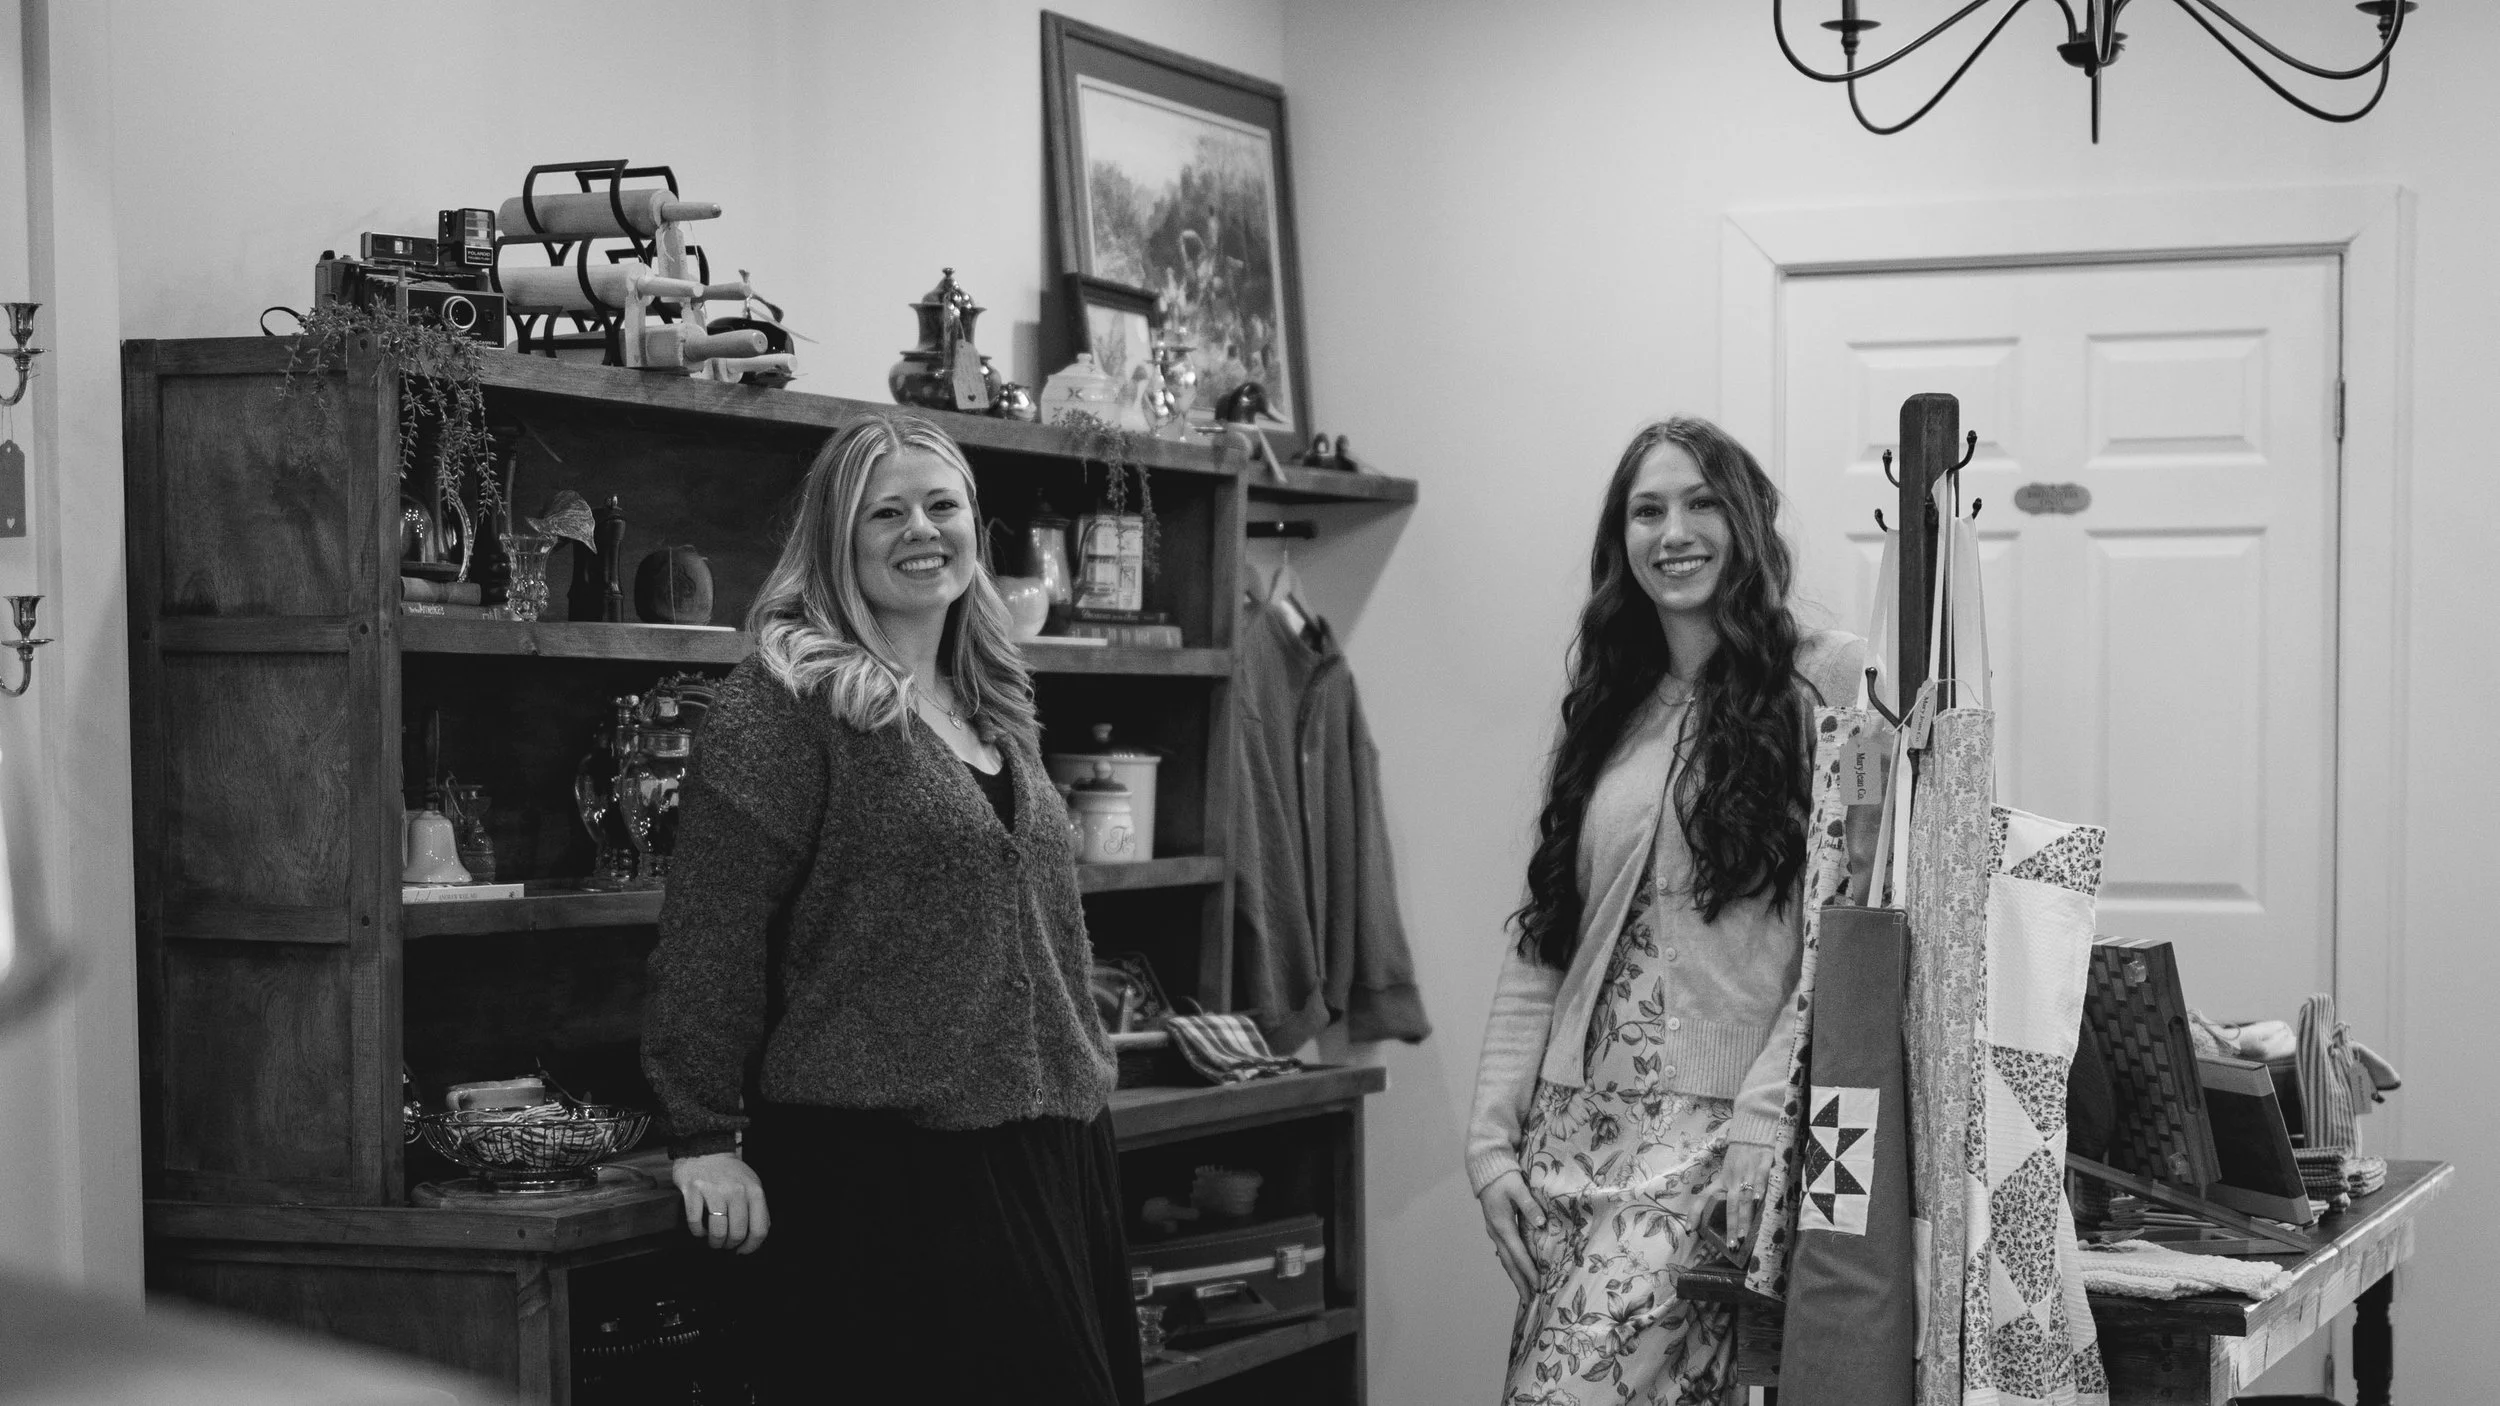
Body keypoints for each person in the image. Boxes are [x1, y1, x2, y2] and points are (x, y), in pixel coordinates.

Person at [642, 412, 1142, 1405]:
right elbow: (710, 932)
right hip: (891, 1167)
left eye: (941, 505)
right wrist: (702, 1137)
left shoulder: (991, 703)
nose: (922, 529)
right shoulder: (781, 705)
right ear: (837, 538)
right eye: (886, 512)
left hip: (1048, 1141)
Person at [1467, 416, 1861, 1404]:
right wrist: (1489, 1143)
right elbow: (1545, 935)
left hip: (1714, 1140)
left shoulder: (1828, 681)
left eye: (1700, 503)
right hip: (1571, 1137)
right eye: (1647, 511)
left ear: (1747, 520)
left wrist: (1766, 1118)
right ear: (1622, 539)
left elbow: (1842, 930)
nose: (1673, 532)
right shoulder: (1613, 700)